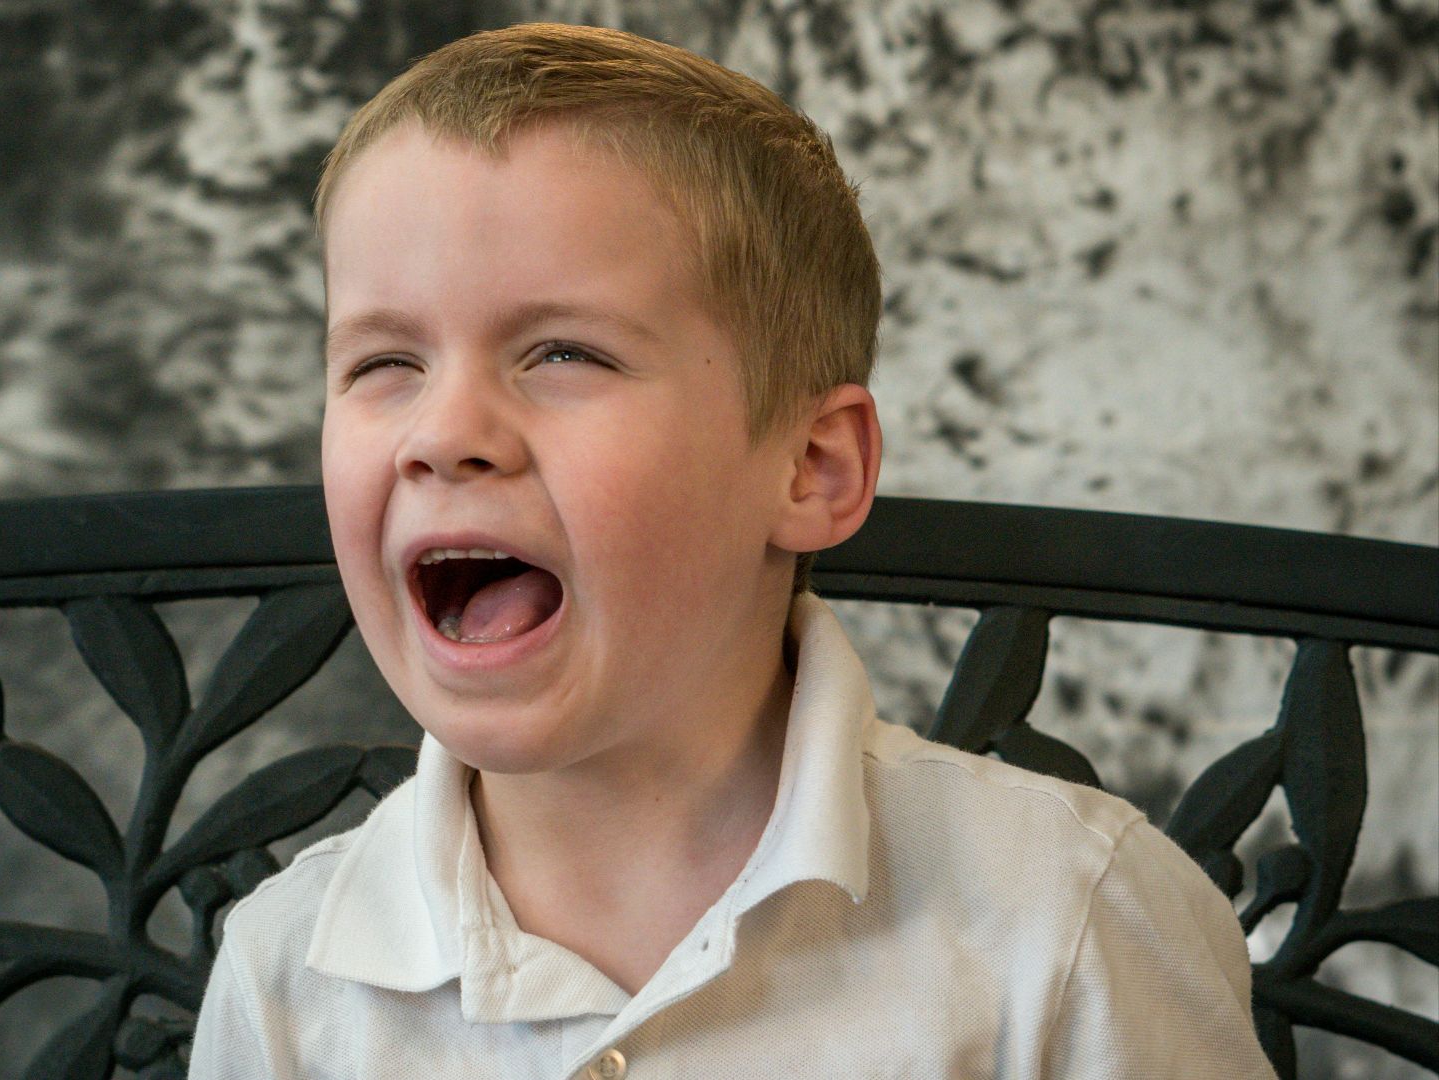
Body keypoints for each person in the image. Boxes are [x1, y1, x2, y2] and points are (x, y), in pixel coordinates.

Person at [189, 22, 1274, 1079]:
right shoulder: (290, 978)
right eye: (385, 363)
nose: (442, 436)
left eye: (562, 352)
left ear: (812, 467)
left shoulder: (1071, 922)